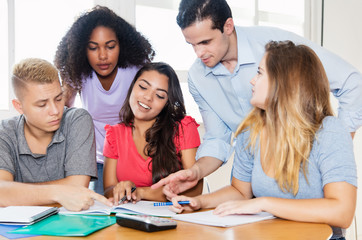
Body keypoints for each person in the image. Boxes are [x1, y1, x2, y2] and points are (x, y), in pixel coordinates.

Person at [151, 0, 362, 197]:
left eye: (206, 42)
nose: (199, 53)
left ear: (228, 26)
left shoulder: (273, 47)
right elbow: (217, 138)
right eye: (192, 44)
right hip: (250, 183)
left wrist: (338, 146)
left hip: (305, 177)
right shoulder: (198, 76)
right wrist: (196, 171)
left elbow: (352, 83)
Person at [170, 41, 357, 240]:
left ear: (284, 83)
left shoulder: (330, 131)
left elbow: (342, 212)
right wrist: (200, 202)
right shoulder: (251, 130)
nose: (252, 80)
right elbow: (240, 192)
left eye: (260, 73)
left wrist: (264, 203)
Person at [54, 5, 155, 194]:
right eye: (93, 48)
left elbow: (156, 108)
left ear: (121, 45)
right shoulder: (78, 74)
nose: (102, 56)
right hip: (100, 161)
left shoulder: (136, 69)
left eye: (110, 46)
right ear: (82, 50)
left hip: (136, 156)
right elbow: (61, 110)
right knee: (104, 213)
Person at [0, 58, 112, 211]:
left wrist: (18, 192)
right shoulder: (4, 132)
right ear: (19, 106)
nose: (55, 110)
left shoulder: (77, 120)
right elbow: (2, 193)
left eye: (59, 98)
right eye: (42, 104)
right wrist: (57, 191)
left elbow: (77, 186)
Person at [103, 62, 203, 205]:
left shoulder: (183, 127)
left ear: (167, 103)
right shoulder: (114, 134)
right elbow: (108, 189)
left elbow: (196, 189)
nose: (148, 97)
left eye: (160, 95)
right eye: (143, 87)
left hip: (174, 218)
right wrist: (120, 189)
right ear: (132, 87)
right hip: (129, 218)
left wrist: (141, 192)